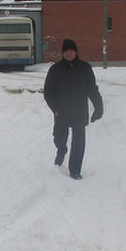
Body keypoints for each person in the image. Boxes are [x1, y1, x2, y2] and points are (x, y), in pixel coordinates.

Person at [43, 39, 103, 180]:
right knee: (59, 138)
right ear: (63, 53)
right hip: (61, 111)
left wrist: (98, 107)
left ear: (76, 52)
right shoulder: (55, 69)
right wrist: (55, 109)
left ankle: (75, 170)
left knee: (79, 142)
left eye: (71, 50)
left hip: (79, 111)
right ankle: (62, 149)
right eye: (66, 51)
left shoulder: (85, 68)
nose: (69, 53)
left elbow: (92, 90)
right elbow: (48, 93)